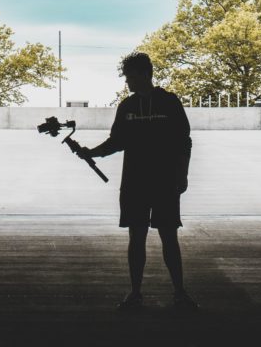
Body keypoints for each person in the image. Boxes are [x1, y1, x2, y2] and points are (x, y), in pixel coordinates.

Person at [84, 52, 199, 311]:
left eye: (131, 77)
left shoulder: (169, 102)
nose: (128, 83)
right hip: (135, 182)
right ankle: (136, 293)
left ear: (145, 74)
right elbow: (117, 142)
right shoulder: (127, 106)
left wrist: (182, 173)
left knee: (169, 236)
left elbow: (184, 141)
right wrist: (92, 152)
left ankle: (179, 292)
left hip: (165, 181)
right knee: (137, 237)